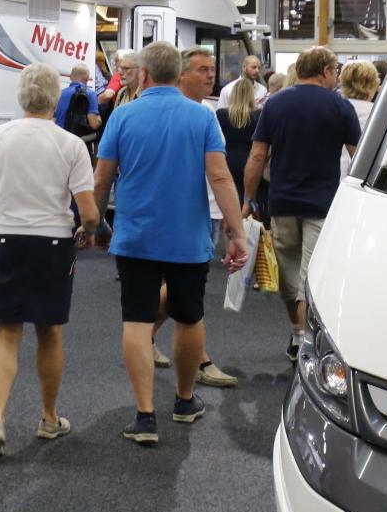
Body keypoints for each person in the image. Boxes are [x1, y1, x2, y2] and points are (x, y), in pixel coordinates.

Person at [93, 41, 248, 447]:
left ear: (143, 74)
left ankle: (145, 416)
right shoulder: (201, 116)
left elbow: (102, 178)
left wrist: (94, 224)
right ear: (176, 74)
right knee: (188, 317)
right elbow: (220, 177)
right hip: (187, 239)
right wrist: (237, 232)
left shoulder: (123, 115)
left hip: (135, 237)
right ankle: (184, 400)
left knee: (137, 321)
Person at [0, 63, 99, 456]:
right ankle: (48, 417)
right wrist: (88, 230)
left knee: (7, 332)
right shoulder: (71, 145)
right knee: (50, 332)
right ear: (55, 98)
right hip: (52, 244)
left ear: (21, 96)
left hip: (5, 238)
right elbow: (89, 213)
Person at [245, 46, 360, 363]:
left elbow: (257, 155)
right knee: (311, 277)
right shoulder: (341, 106)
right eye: (335, 70)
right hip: (322, 204)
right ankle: (308, 342)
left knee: (289, 274)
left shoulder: (275, 103)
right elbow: (358, 157)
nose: (336, 76)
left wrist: (248, 198)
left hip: (282, 201)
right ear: (325, 71)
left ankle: (297, 335)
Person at [149, 48, 237, 389]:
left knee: (181, 287)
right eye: (202, 69)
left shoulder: (207, 111)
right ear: (181, 74)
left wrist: (229, 213)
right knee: (188, 289)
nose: (210, 75)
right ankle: (199, 361)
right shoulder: (182, 113)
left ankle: (143, 335)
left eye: (212, 69)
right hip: (185, 213)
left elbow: (219, 170)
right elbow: (216, 173)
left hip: (207, 210)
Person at [218, 75, 262, 209]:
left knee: (229, 200)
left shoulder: (221, 115)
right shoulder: (258, 115)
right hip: (251, 163)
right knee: (250, 201)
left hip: (227, 161)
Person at [337, 61, 380, 175]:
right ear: (374, 83)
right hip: (362, 176)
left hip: (331, 175)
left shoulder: (332, 108)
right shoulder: (378, 113)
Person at [55, 64, 101, 139]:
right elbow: (94, 124)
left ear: (70, 77)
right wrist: (99, 119)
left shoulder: (59, 93)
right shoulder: (90, 94)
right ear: (87, 79)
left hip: (58, 138)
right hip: (76, 141)